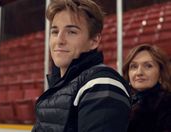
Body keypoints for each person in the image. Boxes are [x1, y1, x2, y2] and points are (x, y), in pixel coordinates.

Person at [32, 0, 131, 132]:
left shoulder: (102, 84)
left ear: (94, 41)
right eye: (55, 32)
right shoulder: (59, 86)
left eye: (71, 32)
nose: (59, 40)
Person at [123, 44, 171, 132]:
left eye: (148, 66)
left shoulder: (167, 103)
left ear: (161, 73)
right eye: (134, 66)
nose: (139, 72)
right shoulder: (122, 103)